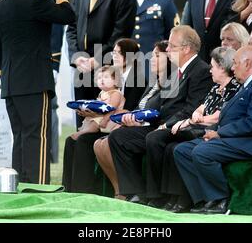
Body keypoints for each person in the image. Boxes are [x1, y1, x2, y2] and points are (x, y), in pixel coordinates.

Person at [0, 0, 75, 184]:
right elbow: (68, 15)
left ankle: (19, 185)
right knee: (37, 137)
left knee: (20, 136)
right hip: (35, 81)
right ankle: (37, 186)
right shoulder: (36, 1)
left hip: (11, 82)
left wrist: (2, 73)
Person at [108, 25, 213, 205]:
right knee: (119, 136)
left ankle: (157, 196)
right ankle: (135, 191)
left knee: (154, 138)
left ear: (186, 49)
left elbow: (191, 107)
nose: (169, 49)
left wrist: (167, 124)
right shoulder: (178, 71)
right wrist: (140, 119)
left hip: (185, 126)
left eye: (172, 46)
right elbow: (162, 105)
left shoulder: (200, 70)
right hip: (161, 124)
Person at [174, 45, 252, 214]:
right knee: (182, 150)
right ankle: (203, 199)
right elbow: (230, 115)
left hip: (249, 142)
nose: (232, 68)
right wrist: (211, 131)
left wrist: (220, 133)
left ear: (247, 64)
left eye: (235, 63)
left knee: (201, 152)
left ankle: (220, 199)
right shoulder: (248, 83)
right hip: (233, 138)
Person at [156, 46, 240, 213]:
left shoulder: (234, 87)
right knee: (172, 148)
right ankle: (199, 198)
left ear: (222, 68)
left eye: (213, 66)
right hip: (199, 127)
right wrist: (196, 113)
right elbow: (202, 106)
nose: (210, 70)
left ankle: (205, 198)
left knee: (175, 147)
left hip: (215, 130)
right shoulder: (215, 88)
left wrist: (191, 121)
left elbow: (219, 116)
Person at [66, 0, 137, 128]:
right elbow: (72, 26)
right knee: (82, 123)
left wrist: (96, 60)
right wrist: (76, 56)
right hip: (82, 67)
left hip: (107, 69)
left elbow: (120, 34)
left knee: (102, 123)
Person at [62, 38, 146, 194]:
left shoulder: (138, 79)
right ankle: (68, 189)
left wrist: (101, 115)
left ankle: (84, 191)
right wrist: (89, 112)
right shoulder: (109, 75)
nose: (114, 55)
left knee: (83, 140)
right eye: (113, 52)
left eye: (118, 52)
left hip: (118, 125)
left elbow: (130, 108)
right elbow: (100, 102)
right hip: (104, 122)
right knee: (70, 140)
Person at [94, 40, 171, 199]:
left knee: (115, 137)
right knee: (98, 142)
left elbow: (164, 112)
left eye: (157, 55)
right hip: (138, 124)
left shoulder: (170, 81)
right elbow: (140, 107)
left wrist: (138, 121)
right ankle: (122, 189)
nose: (152, 59)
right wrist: (129, 118)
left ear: (169, 59)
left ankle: (133, 191)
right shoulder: (154, 82)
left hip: (154, 128)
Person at [72, 65, 125, 140]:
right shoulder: (102, 93)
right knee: (90, 118)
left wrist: (105, 120)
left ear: (115, 81)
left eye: (106, 77)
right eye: (99, 78)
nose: (102, 80)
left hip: (111, 119)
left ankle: (84, 132)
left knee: (96, 122)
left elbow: (112, 109)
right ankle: (84, 129)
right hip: (103, 116)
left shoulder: (115, 94)